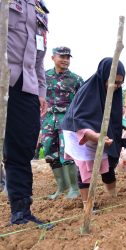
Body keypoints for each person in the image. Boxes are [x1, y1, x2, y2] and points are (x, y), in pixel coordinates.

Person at [1, 0, 52, 227]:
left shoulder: (41, 9)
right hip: (3, 79)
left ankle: (21, 213)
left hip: (25, 88)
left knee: (21, 150)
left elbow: (39, 59)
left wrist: (41, 91)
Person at [61, 58, 125, 208]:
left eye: (119, 83)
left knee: (109, 164)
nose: (116, 86)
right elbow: (80, 120)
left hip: (101, 135)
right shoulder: (88, 91)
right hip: (79, 133)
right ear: (103, 76)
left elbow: (114, 120)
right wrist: (96, 137)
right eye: (113, 82)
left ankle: (113, 197)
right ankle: (88, 205)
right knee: (86, 167)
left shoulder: (115, 92)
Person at [41, 47, 84, 199]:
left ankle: (74, 188)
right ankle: (61, 188)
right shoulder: (43, 76)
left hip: (67, 121)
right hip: (47, 121)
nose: (65, 60)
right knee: (50, 153)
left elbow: (82, 103)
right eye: (62, 56)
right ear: (53, 57)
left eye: (68, 57)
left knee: (67, 153)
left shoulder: (76, 79)